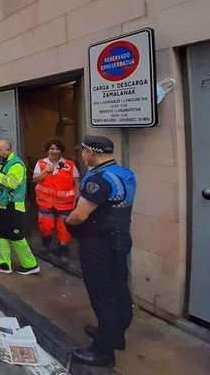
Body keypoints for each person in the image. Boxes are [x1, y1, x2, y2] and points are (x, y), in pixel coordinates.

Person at [66, 136, 136, 367]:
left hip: (99, 244)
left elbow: (80, 215)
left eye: (84, 150)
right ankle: (115, 334)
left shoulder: (98, 179)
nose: (83, 155)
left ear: (91, 152)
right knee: (118, 288)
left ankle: (103, 352)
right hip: (120, 238)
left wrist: (68, 222)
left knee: (102, 294)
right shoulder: (123, 173)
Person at [0, 139, 40, 276]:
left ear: (8, 150)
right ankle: (4, 263)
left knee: (16, 236)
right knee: (1, 233)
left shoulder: (16, 164)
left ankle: (30, 265)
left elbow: (12, 183)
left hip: (12, 206)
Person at [33, 139, 80, 264]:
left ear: (61, 151)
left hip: (65, 204)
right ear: (48, 150)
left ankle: (63, 250)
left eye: (57, 149)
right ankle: (45, 244)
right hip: (45, 203)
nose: (54, 151)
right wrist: (46, 171)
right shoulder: (41, 163)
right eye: (52, 148)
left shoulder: (70, 164)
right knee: (46, 226)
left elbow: (76, 182)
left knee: (64, 229)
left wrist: (76, 199)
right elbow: (36, 180)